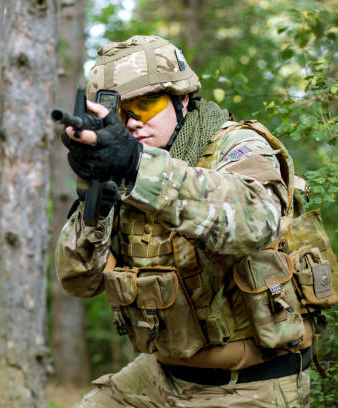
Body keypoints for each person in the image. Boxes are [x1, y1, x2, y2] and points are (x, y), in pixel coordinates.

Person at [56, 35, 336, 407]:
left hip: (247, 382)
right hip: (163, 375)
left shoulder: (236, 144)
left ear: (182, 98)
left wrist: (138, 165)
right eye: (120, 113)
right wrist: (95, 196)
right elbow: (79, 281)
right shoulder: (123, 169)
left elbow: (256, 221)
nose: (133, 123)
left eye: (146, 104)